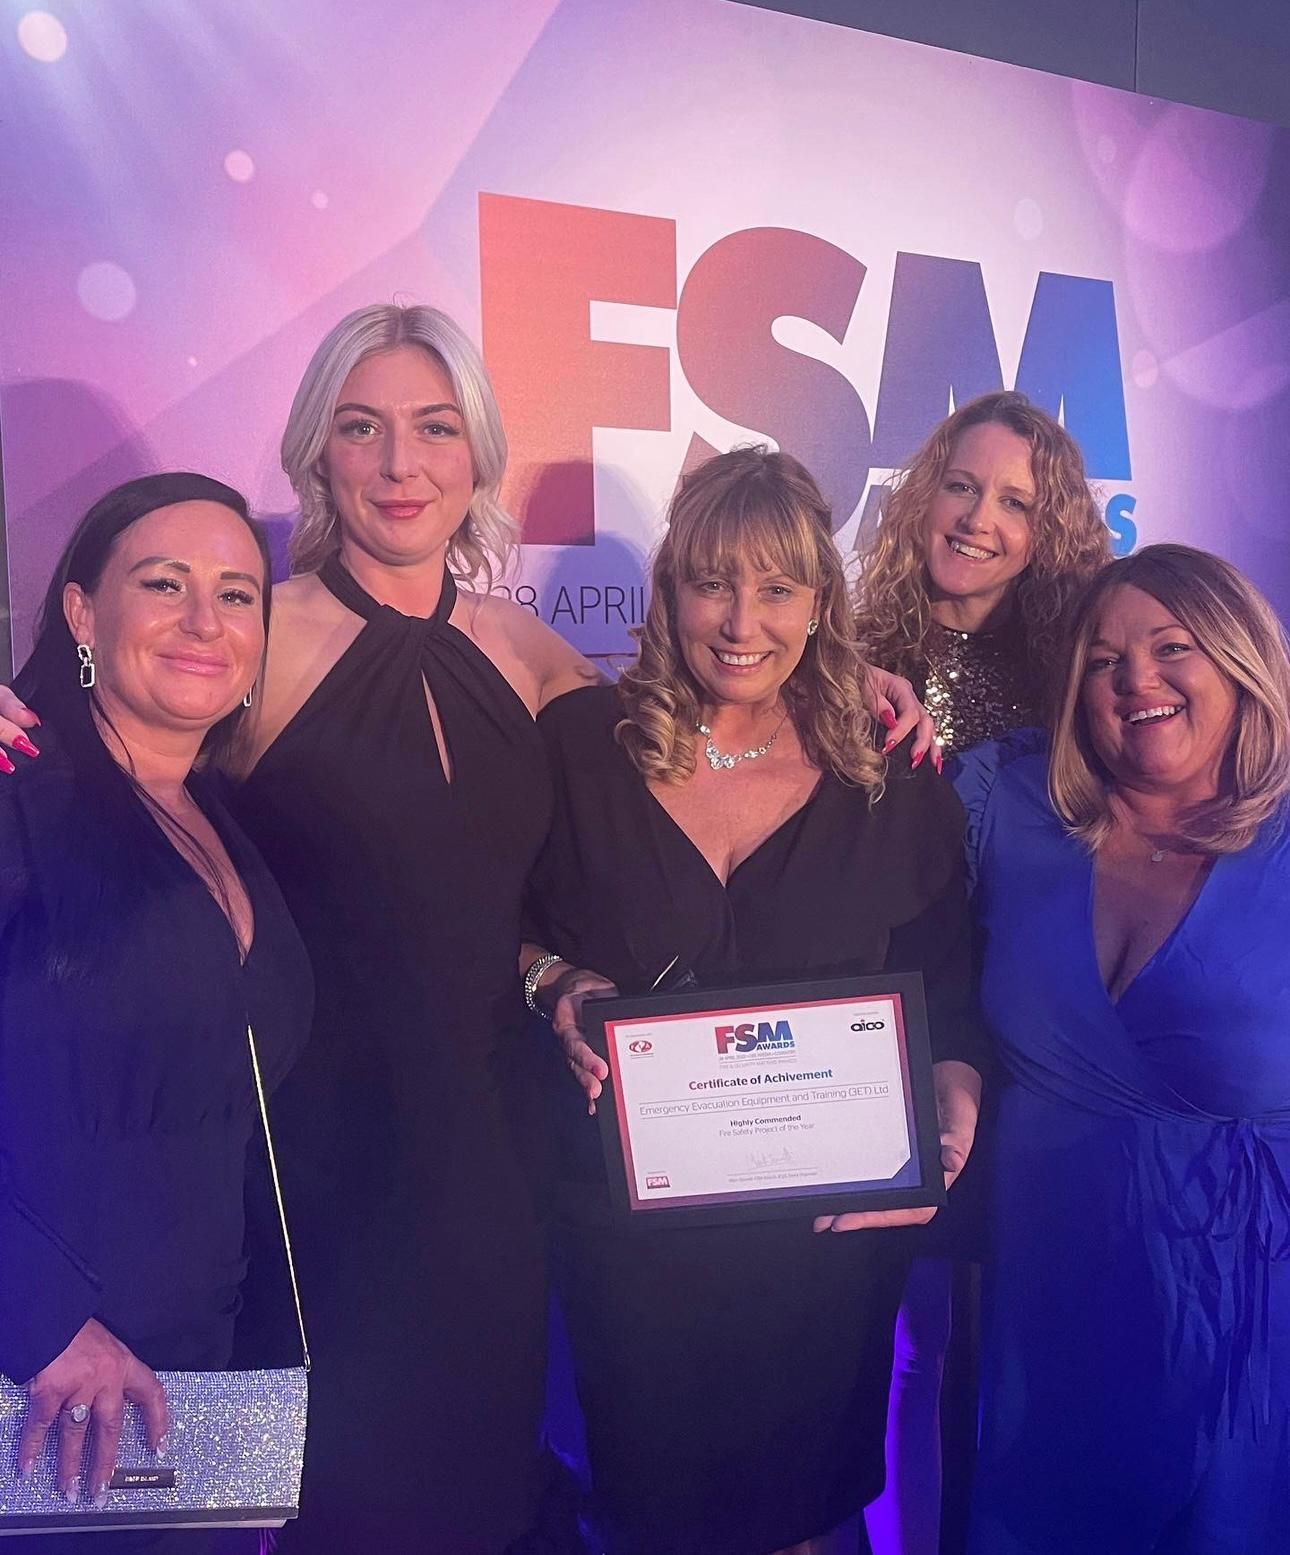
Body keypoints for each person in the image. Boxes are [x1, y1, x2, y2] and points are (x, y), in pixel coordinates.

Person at [0, 305, 934, 1552]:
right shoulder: (249, 632)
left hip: (504, 1166)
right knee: (333, 1500)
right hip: (311, 1182)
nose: (401, 465)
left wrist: (852, 682)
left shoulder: (537, 656)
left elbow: (705, 712)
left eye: (434, 430)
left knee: (488, 1490)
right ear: (316, 452)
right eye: (363, 429)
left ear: (477, 454)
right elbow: (103, 738)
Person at [522, 447, 985, 1555]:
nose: (743, 620)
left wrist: (952, 1110)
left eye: (778, 586)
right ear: (669, 589)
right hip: (633, 1250)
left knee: (812, 1524)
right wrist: (553, 982)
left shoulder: (883, 766)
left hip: (820, 1256)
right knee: (643, 1520)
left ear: (820, 603)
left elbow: (949, 981)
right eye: (713, 581)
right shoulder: (582, 749)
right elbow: (498, 932)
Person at [0, 473, 312, 1553]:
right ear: (84, 612)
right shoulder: (15, 795)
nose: (203, 622)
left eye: (236, 594)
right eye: (164, 583)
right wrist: (32, 1319)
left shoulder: (216, 813)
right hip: (46, 1396)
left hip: (202, 1387)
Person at [961, 544, 1290, 1554]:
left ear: (1241, 661)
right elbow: (852, 819)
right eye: (1102, 661)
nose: (1134, 679)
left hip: (1247, 1335)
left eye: (1171, 647)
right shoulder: (1011, 806)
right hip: (1045, 1305)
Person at [853, 391, 1110, 1555]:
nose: (979, 518)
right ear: (922, 494)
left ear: (1048, 527)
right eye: (962, 485)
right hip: (890, 1012)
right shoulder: (843, 644)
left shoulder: (1076, 670)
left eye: (1015, 501)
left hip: (1032, 1030)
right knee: (902, 1334)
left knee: (1010, 1330)